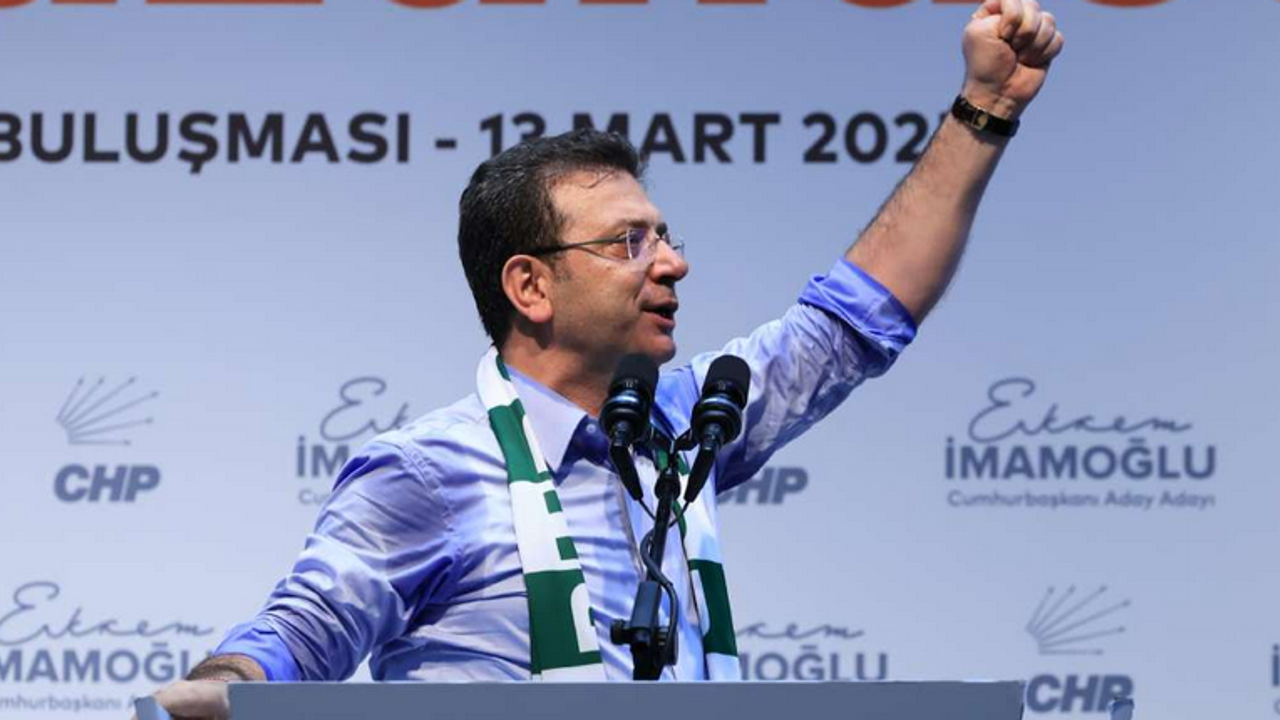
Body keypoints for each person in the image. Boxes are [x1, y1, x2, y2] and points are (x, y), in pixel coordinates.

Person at [145, 0, 1064, 715]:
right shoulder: (423, 473)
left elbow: (859, 317)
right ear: (530, 287)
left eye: (664, 236)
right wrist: (221, 686)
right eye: (628, 243)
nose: (672, 263)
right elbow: (299, 636)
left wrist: (984, 109)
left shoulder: (688, 428)